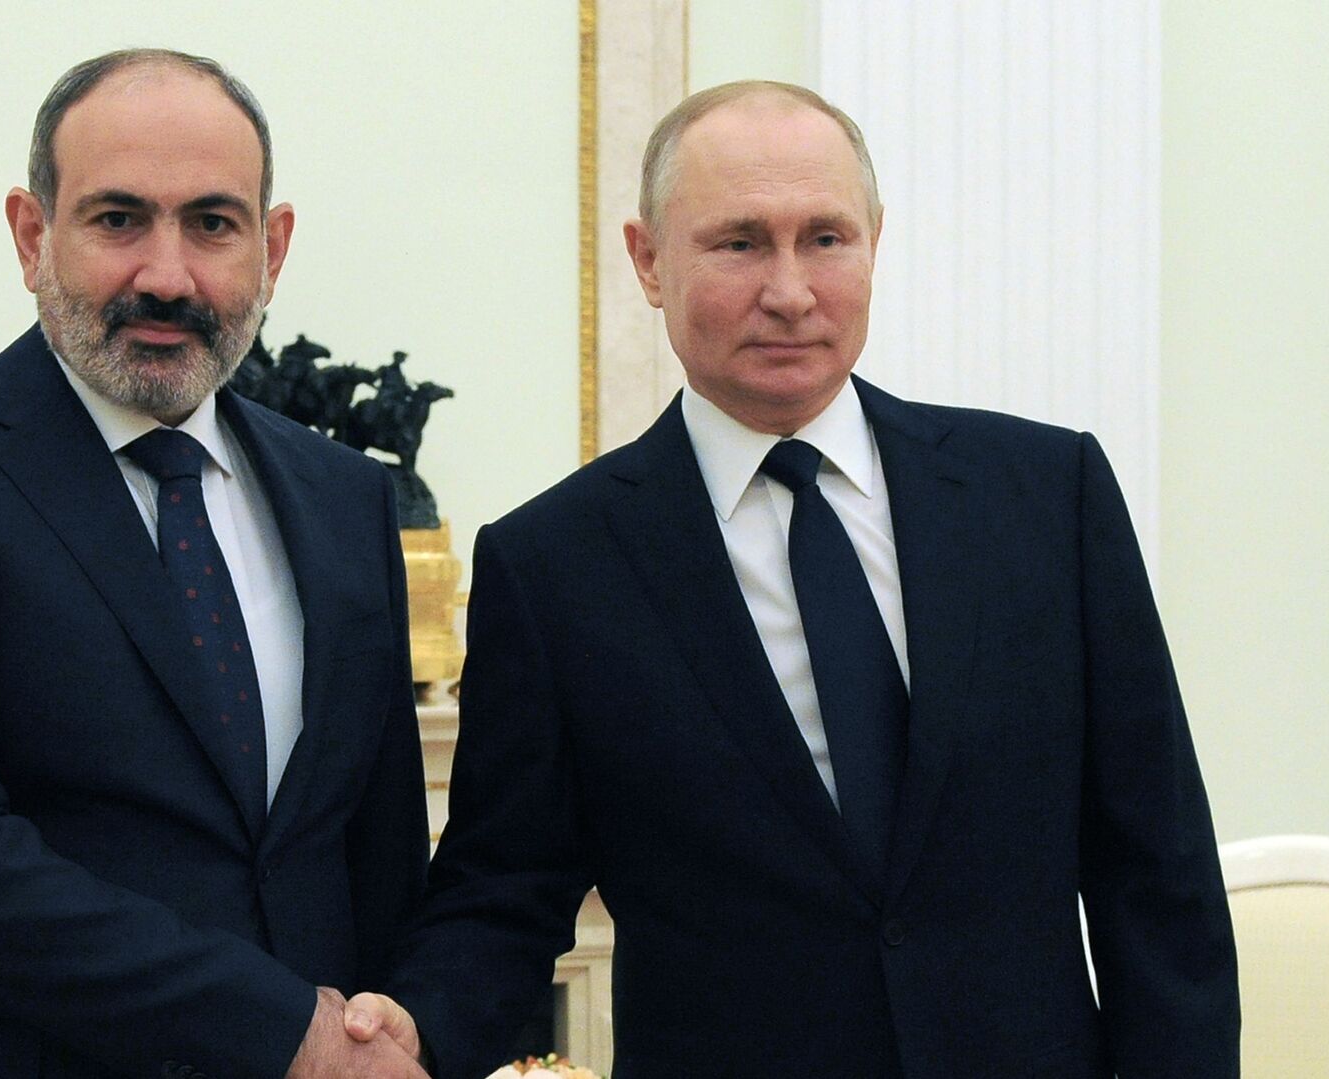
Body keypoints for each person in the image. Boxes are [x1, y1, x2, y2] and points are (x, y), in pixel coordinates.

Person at [357, 81, 1240, 1076]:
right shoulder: (554, 565)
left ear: (875, 242)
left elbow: (1158, 871)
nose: (789, 291)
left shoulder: (1046, 497)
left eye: (825, 238)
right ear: (648, 261)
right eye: (739, 243)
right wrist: (417, 1031)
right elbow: (505, 889)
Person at [0, 49, 431, 1078]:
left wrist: (402, 1029)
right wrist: (280, 1030)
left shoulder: (344, 495)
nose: (167, 276)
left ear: (272, 248)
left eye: (212, 224)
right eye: (119, 219)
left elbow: (379, 849)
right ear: (31, 235)